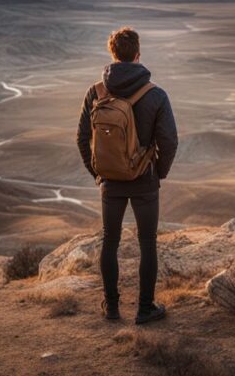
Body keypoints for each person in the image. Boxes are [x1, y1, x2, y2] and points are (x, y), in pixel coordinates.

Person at [76, 26, 178, 324]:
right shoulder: (155, 94)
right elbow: (169, 141)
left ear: (113, 54)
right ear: (137, 54)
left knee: (111, 240)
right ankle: (145, 309)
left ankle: (111, 307)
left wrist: (98, 172)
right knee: (147, 242)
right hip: (144, 179)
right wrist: (158, 171)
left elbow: (82, 138)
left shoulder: (95, 92)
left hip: (111, 181)